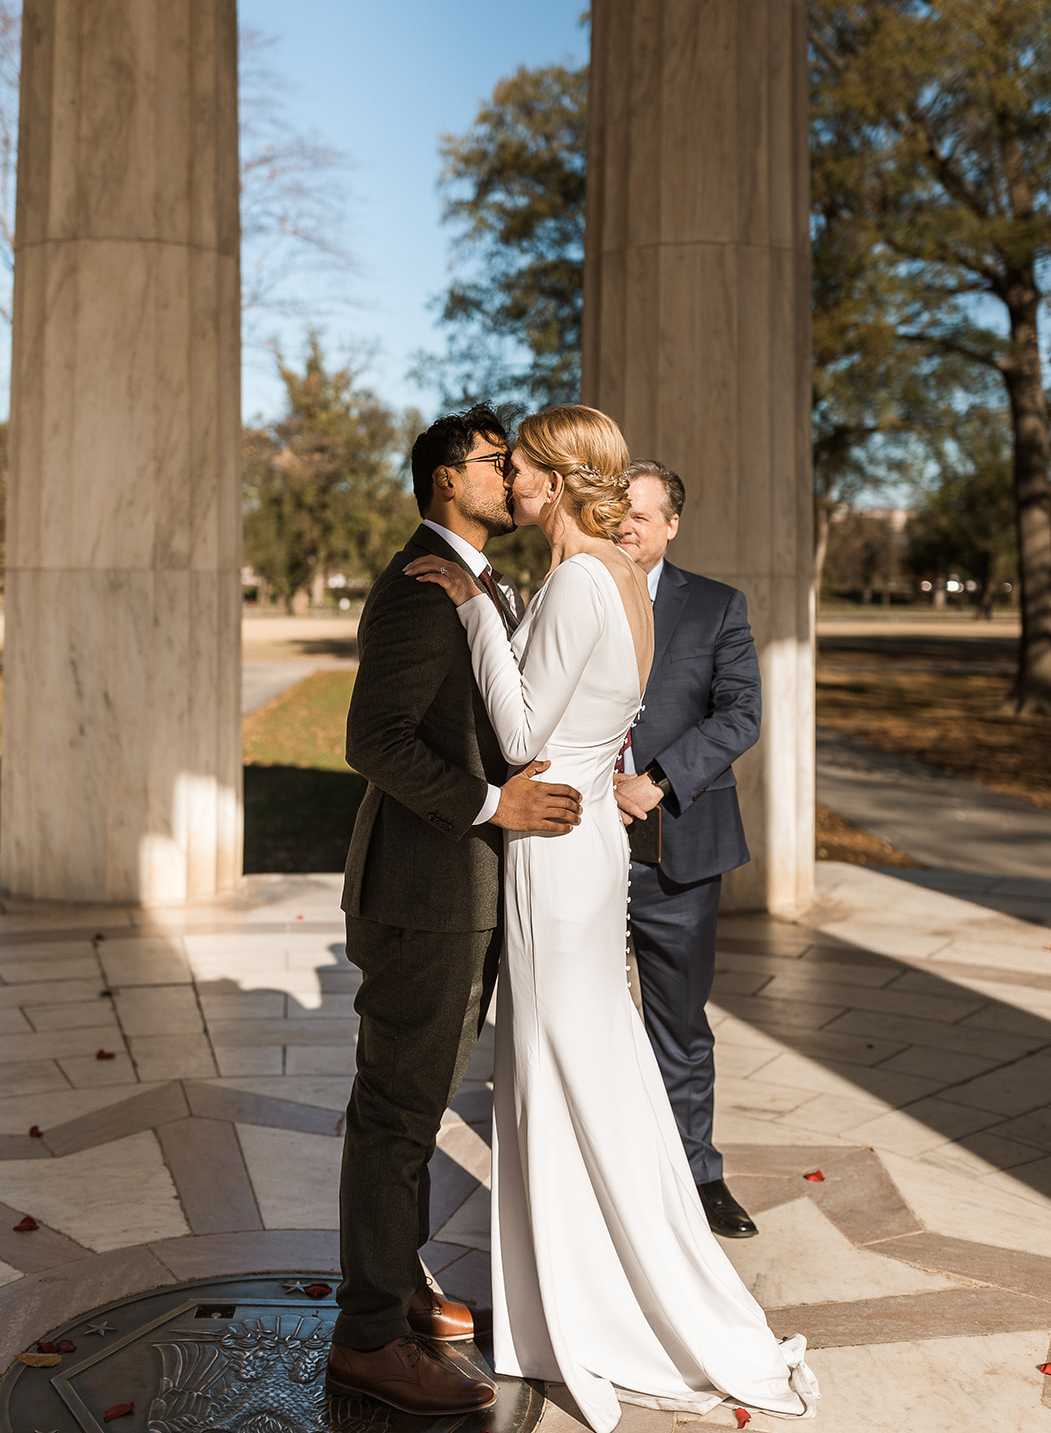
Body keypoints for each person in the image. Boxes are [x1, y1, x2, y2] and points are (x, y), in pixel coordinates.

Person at [406, 405, 818, 1433]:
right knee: (573, 1062)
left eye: (524, 467)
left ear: (555, 477)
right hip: (583, 840)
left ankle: (584, 1306)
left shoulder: (584, 577)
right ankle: (572, 1293)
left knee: (556, 1066)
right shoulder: (623, 578)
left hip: (552, 849)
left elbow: (514, 732)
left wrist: (470, 607)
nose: (512, 482)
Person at [326, 405, 583, 1416]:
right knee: (395, 1110)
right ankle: (365, 1336)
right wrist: (492, 803)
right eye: (494, 465)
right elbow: (374, 742)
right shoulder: (416, 590)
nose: (511, 478)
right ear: (445, 480)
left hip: (461, 893)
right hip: (421, 896)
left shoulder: (483, 583)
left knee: (414, 1103)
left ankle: (397, 1284)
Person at [614, 461, 762, 1239]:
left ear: (672, 524)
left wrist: (658, 781)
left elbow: (740, 715)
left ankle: (697, 1174)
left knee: (677, 1021)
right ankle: (603, 1171)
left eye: (641, 515)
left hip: (678, 843)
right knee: (584, 1017)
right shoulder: (575, 593)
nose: (626, 526)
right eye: (617, 512)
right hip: (580, 843)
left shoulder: (715, 606)